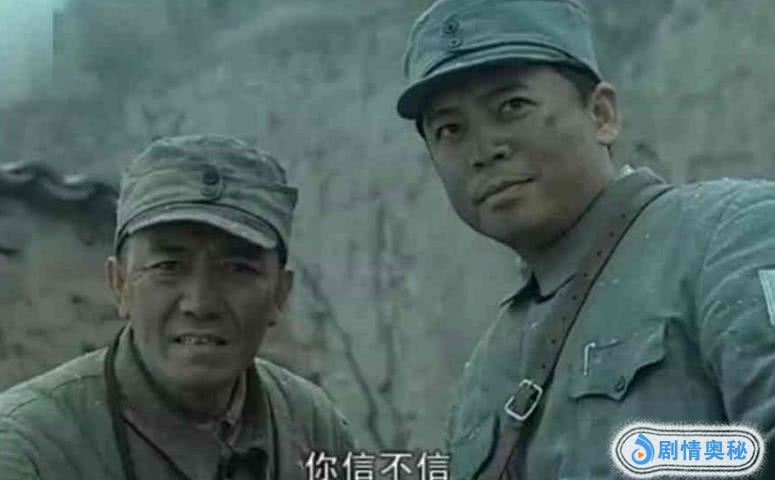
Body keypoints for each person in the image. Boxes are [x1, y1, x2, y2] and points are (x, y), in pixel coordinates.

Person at [396, 0, 775, 478]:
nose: (484, 151)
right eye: (450, 129)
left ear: (601, 115)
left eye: (512, 106)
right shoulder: (486, 372)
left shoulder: (734, 235)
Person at [0, 134, 355, 479]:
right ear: (120, 284)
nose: (200, 304)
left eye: (237, 269)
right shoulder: (30, 448)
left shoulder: (311, 425)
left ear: (279, 294)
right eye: (168, 267)